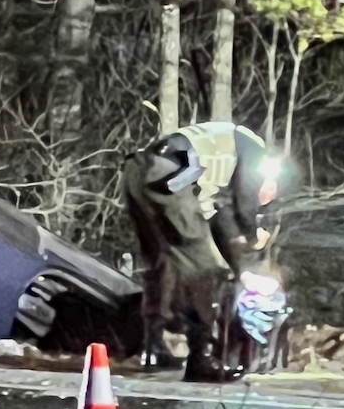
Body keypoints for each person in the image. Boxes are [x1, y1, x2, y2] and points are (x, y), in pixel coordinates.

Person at [121, 120, 282, 382]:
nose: (266, 200)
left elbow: (221, 218)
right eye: (269, 195)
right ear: (270, 178)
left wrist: (241, 254)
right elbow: (245, 204)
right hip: (171, 175)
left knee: (163, 263)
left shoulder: (221, 162)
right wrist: (254, 234)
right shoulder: (255, 151)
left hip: (139, 171)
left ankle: (153, 350)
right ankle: (201, 358)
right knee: (207, 271)